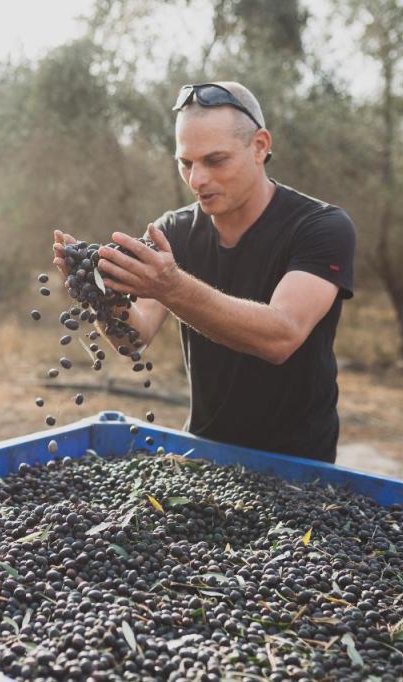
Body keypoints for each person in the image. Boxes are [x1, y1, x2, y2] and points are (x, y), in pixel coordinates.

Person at [54, 81, 355, 463]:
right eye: (186, 163)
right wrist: (99, 293)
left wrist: (171, 286)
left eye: (215, 161)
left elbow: (282, 336)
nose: (196, 180)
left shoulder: (320, 227)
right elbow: (134, 338)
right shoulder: (174, 232)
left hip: (300, 466)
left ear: (260, 146)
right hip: (202, 454)